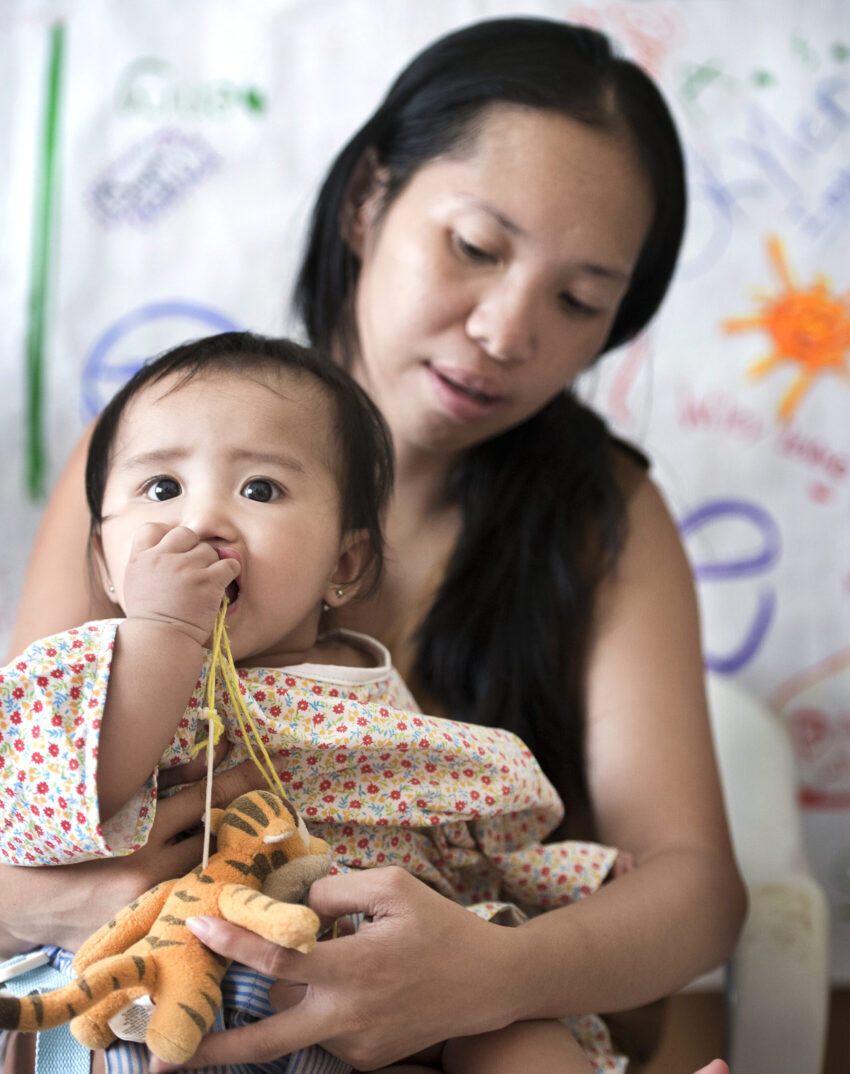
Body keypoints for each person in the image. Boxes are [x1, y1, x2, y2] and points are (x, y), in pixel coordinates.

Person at [1, 15, 747, 1074]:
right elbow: (30, 771)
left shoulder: (601, 514)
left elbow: (695, 890)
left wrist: (491, 976)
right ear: (365, 202)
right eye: (475, 248)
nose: (504, 329)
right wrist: (49, 905)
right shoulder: (146, 455)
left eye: (579, 301)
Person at [1, 331, 642, 1074]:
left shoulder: (364, 688)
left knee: (508, 1032)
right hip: (158, 988)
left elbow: (438, 832)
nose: (202, 520)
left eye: (261, 490)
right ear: (107, 564)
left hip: (354, 990)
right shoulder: (88, 675)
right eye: (162, 489)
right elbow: (50, 807)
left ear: (344, 563)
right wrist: (165, 634)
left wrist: (564, 874)